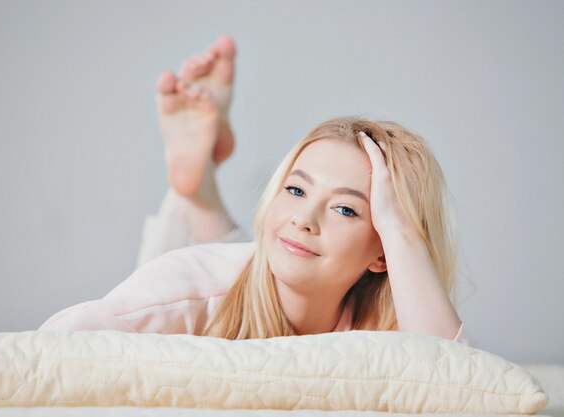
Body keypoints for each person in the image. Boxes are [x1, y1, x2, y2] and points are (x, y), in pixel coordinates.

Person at [39, 36, 470, 345]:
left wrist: (401, 231)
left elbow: (454, 382)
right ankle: (193, 190)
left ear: (382, 254)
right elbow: (49, 345)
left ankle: (200, 187)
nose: (304, 218)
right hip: (203, 276)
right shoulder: (185, 290)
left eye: (344, 210)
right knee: (222, 274)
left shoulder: (384, 318)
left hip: (240, 265)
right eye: (296, 190)